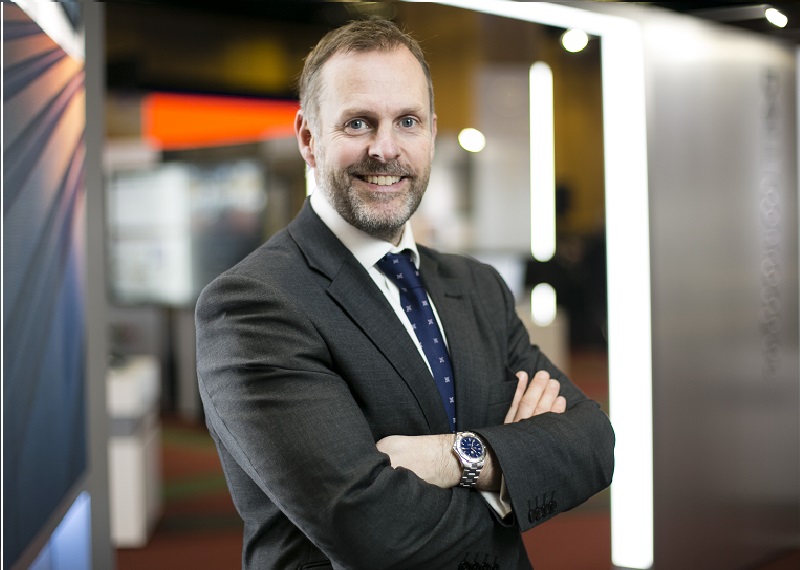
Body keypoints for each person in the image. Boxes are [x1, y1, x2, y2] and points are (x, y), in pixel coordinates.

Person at [195, 17, 614, 570]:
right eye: (358, 123)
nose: (385, 149)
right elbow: (369, 530)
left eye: (407, 121)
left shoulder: (476, 286)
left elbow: (592, 443)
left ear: (432, 132)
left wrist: (456, 458)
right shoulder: (255, 304)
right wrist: (515, 465)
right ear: (308, 138)